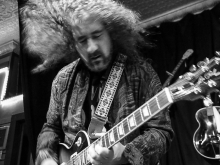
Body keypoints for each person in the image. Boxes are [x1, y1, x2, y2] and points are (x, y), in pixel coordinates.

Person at [21, 0, 174, 165]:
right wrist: (47, 158)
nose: (91, 47)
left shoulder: (140, 72)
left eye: (97, 35)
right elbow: (51, 128)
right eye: (82, 40)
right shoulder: (62, 79)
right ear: (72, 44)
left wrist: (125, 154)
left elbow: (161, 131)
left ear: (111, 33)